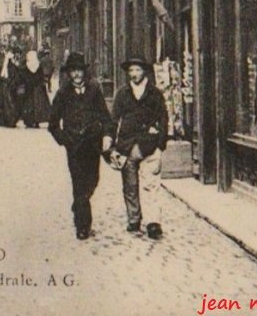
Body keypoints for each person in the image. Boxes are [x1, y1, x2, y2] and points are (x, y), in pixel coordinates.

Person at [48, 52, 113, 240]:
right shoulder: (62, 93)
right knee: (79, 183)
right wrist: (65, 139)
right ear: (68, 74)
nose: (76, 75)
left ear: (84, 72)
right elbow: (53, 125)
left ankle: (78, 204)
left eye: (79, 71)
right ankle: (83, 226)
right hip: (74, 147)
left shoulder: (94, 90)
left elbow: (105, 117)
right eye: (72, 71)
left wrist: (107, 135)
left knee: (93, 180)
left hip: (93, 145)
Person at [108, 55, 168, 239]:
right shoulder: (122, 94)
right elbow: (113, 120)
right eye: (131, 71)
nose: (134, 74)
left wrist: (161, 144)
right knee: (130, 185)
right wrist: (110, 141)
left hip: (149, 146)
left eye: (138, 70)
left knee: (150, 184)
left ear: (144, 72)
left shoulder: (154, 94)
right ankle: (134, 218)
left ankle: (153, 223)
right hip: (126, 146)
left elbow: (164, 119)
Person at [21, 50, 51, 128]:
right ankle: (37, 121)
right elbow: (41, 77)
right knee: (38, 105)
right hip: (38, 88)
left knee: (29, 105)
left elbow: (23, 77)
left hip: (29, 89)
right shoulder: (39, 66)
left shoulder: (26, 67)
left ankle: (29, 121)